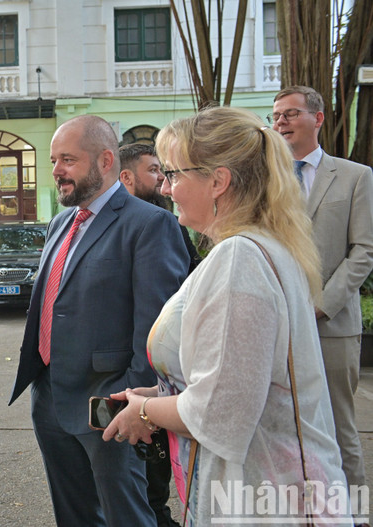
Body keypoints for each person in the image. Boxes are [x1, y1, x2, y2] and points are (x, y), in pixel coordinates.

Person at [102, 106, 350, 525]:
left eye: (174, 174)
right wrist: (164, 396)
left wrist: (144, 412)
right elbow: (235, 384)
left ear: (218, 180)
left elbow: (220, 415)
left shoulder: (241, 259)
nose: (165, 188)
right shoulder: (257, 249)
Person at [9, 114, 189, 526]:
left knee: (125, 515)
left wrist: (133, 403)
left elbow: (156, 330)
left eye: (68, 160)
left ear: (106, 160)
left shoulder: (150, 224)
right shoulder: (61, 223)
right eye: (54, 160)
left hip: (110, 404)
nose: (56, 171)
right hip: (49, 398)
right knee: (73, 516)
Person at [272, 86, 373, 522]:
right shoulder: (267, 179)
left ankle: (356, 513)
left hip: (330, 326)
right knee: (282, 427)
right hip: (276, 323)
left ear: (319, 118)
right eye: (276, 115)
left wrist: (319, 305)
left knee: (338, 427)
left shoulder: (355, 176)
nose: (281, 122)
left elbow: (364, 251)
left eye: (291, 113)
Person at [119, 142, 192, 527]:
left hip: (156, 389)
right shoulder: (137, 225)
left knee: (152, 496)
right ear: (126, 177)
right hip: (140, 391)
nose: (163, 182)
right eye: (154, 171)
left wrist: (148, 396)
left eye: (169, 173)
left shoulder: (165, 224)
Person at [120, 143, 201, 274]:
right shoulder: (111, 225)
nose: (162, 177)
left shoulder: (172, 222)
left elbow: (194, 273)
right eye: (153, 170)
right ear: (127, 177)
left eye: (160, 170)